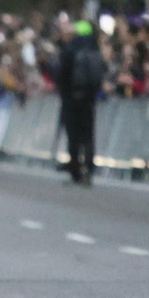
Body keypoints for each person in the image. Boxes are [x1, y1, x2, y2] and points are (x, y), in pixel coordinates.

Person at [56, 19, 104, 185]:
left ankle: (75, 171)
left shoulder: (69, 49)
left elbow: (62, 74)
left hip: (71, 97)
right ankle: (89, 169)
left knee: (73, 136)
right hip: (89, 98)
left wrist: (63, 91)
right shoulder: (94, 49)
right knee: (88, 135)